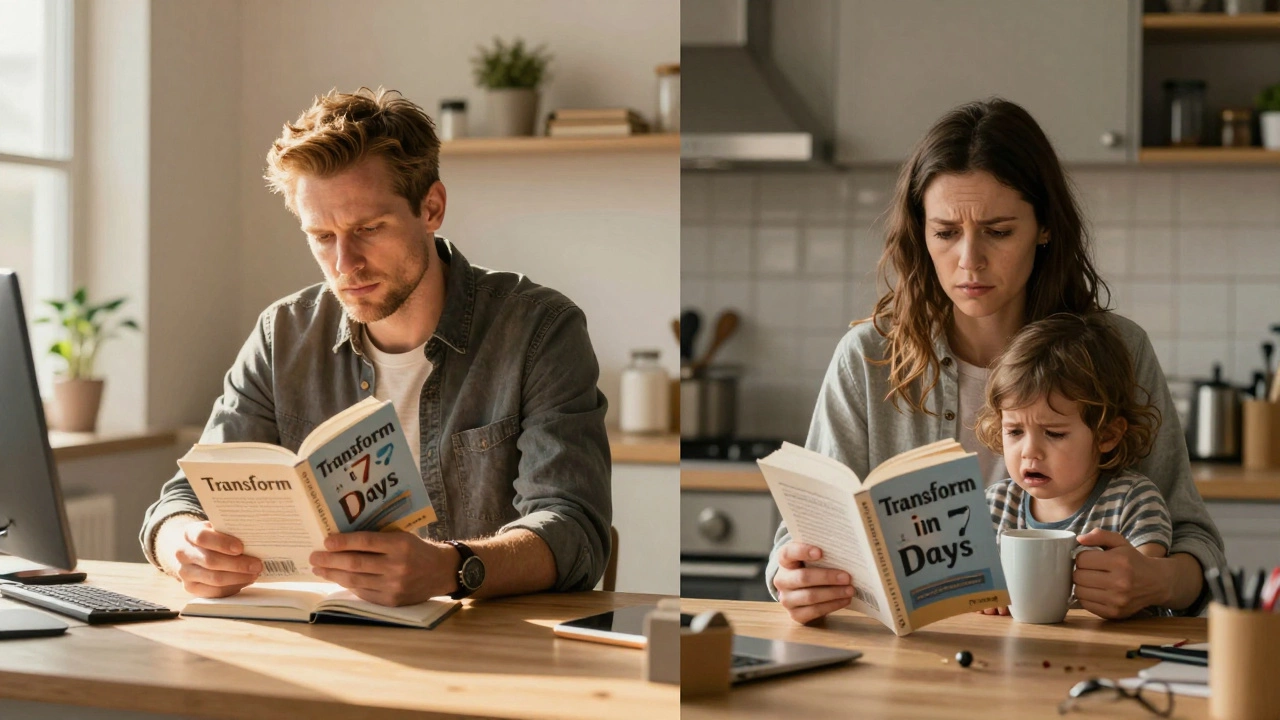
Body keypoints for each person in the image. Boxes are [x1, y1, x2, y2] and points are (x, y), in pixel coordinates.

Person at [140, 88, 611, 606]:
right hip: (324, 642)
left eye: (368, 228)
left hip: (485, 650)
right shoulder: (284, 336)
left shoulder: (539, 330)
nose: (345, 263)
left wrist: (451, 568)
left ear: (431, 208)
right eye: (321, 236)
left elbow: (576, 532)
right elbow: (183, 498)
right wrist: (182, 544)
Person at [766, 98, 1224, 624]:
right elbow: (796, 542)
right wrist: (792, 579)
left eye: (998, 231)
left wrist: (1156, 580)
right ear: (920, 233)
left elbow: (1196, 544)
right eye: (945, 233)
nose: (969, 261)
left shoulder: (1119, 349)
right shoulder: (867, 358)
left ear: (1045, 227)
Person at [975, 313, 1173, 616]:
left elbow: (1141, 587)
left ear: (1107, 435)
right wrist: (983, 596)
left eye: (1054, 433)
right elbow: (970, 593)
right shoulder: (994, 505)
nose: (1030, 452)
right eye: (1014, 431)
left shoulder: (1133, 502)